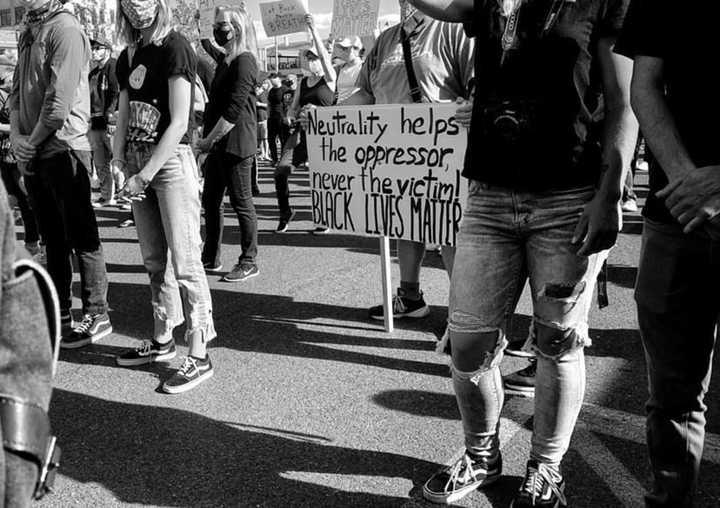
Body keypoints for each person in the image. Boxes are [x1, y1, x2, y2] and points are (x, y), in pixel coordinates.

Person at [407, 0, 638, 505]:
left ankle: (546, 469)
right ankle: (482, 458)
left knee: (557, 341)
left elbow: (625, 100)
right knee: (467, 342)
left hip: (570, 196)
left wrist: (611, 192)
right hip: (490, 196)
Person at [616, 1, 720, 506]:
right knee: (672, 395)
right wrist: (686, 180)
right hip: (675, 214)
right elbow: (644, 86)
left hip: (689, 201)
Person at [341, 0, 474, 320]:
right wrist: (327, 115)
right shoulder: (386, 40)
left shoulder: (455, 30)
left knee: (449, 230)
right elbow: (366, 94)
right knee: (405, 223)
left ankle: (465, 314)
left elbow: (476, 84)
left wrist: (473, 107)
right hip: (396, 157)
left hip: (443, 154)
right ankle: (410, 298)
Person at [112, 0, 217, 394]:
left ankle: (199, 350)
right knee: (155, 260)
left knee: (187, 261)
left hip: (170, 164)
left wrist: (144, 174)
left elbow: (178, 121)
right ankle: (162, 339)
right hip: (139, 165)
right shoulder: (127, 54)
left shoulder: (176, 47)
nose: (135, 8)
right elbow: (122, 113)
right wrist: (119, 159)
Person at [10, 0, 112, 348]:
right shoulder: (29, 31)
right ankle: (60, 311)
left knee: (82, 236)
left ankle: (97, 313)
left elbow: (59, 102)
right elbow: (15, 95)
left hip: (64, 146)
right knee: (52, 238)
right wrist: (17, 138)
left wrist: (30, 141)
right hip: (34, 148)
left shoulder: (66, 29)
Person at [197, 6, 260, 283]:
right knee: (211, 201)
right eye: (215, 24)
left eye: (221, 24)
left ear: (236, 27)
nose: (217, 29)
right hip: (218, 144)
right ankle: (210, 257)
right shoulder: (226, 59)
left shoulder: (245, 60)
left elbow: (233, 111)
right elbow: (204, 43)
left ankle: (249, 260)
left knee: (241, 202)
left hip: (235, 143)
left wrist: (207, 141)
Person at [274, 14, 336, 233]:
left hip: (325, 135)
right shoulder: (302, 81)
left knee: (320, 178)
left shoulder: (329, 78)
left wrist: (313, 31)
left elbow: (325, 58)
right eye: (308, 58)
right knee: (281, 170)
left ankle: (323, 217)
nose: (311, 61)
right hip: (301, 133)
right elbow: (294, 106)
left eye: (314, 57)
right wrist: (290, 115)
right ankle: (285, 212)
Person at [89, 35, 122, 209]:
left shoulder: (113, 66)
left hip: (110, 123)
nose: (94, 51)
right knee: (100, 162)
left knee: (117, 161)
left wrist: (111, 116)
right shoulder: (93, 73)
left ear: (107, 50)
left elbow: (116, 92)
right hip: (94, 123)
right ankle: (106, 195)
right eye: (93, 48)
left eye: (98, 48)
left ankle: (124, 196)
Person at [333, 35, 363, 104]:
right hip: (339, 111)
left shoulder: (364, 67)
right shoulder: (338, 69)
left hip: (357, 110)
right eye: (341, 48)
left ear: (356, 49)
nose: (342, 51)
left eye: (345, 48)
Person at [266, 72, 287, 164]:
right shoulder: (271, 91)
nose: (272, 81)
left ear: (278, 79)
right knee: (271, 139)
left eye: (273, 79)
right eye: (271, 79)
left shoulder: (284, 89)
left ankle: (283, 159)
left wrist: (286, 117)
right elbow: (269, 104)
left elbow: (287, 104)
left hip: (281, 117)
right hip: (272, 117)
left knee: (283, 140)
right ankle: (274, 159)